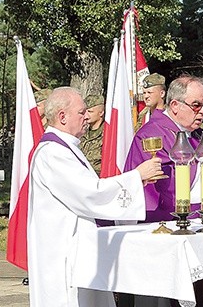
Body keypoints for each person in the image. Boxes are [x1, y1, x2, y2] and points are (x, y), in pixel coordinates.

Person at [27, 86, 162, 307]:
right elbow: (90, 194)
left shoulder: (67, 148)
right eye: (81, 112)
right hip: (63, 252)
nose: (87, 117)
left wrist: (138, 180)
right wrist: (136, 177)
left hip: (78, 246)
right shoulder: (53, 153)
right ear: (62, 116)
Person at [124, 75, 203, 223]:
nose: (202, 112)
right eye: (196, 105)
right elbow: (167, 188)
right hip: (167, 223)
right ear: (174, 105)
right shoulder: (151, 137)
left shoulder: (199, 134)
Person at [80, 94, 105, 173]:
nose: (86, 116)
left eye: (90, 112)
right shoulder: (81, 133)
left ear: (101, 113)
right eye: (84, 112)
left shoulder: (107, 135)